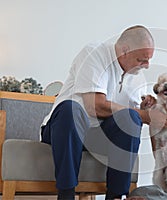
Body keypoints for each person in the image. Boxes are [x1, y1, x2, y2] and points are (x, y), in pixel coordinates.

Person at [40, 25, 157, 200]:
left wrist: (144, 109)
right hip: (65, 130)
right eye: (142, 60)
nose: (147, 66)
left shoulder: (137, 76)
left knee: (131, 118)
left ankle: (116, 196)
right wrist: (141, 115)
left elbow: (129, 117)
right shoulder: (94, 53)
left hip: (99, 138)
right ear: (125, 51)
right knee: (71, 109)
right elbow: (94, 106)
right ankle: (66, 195)